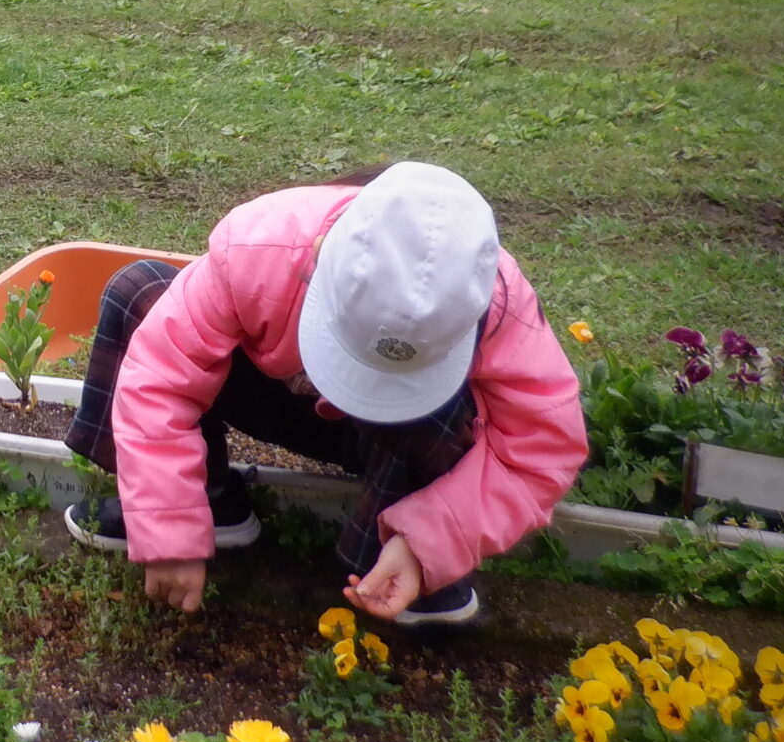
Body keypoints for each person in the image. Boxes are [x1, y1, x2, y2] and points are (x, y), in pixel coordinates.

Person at [60, 161, 587, 626]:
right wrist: (168, 523)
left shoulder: (499, 302)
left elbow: (541, 449)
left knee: (449, 413)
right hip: (279, 396)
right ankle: (213, 502)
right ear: (316, 257)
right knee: (141, 294)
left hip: (395, 439)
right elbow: (161, 376)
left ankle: (386, 555)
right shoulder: (260, 244)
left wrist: (429, 544)